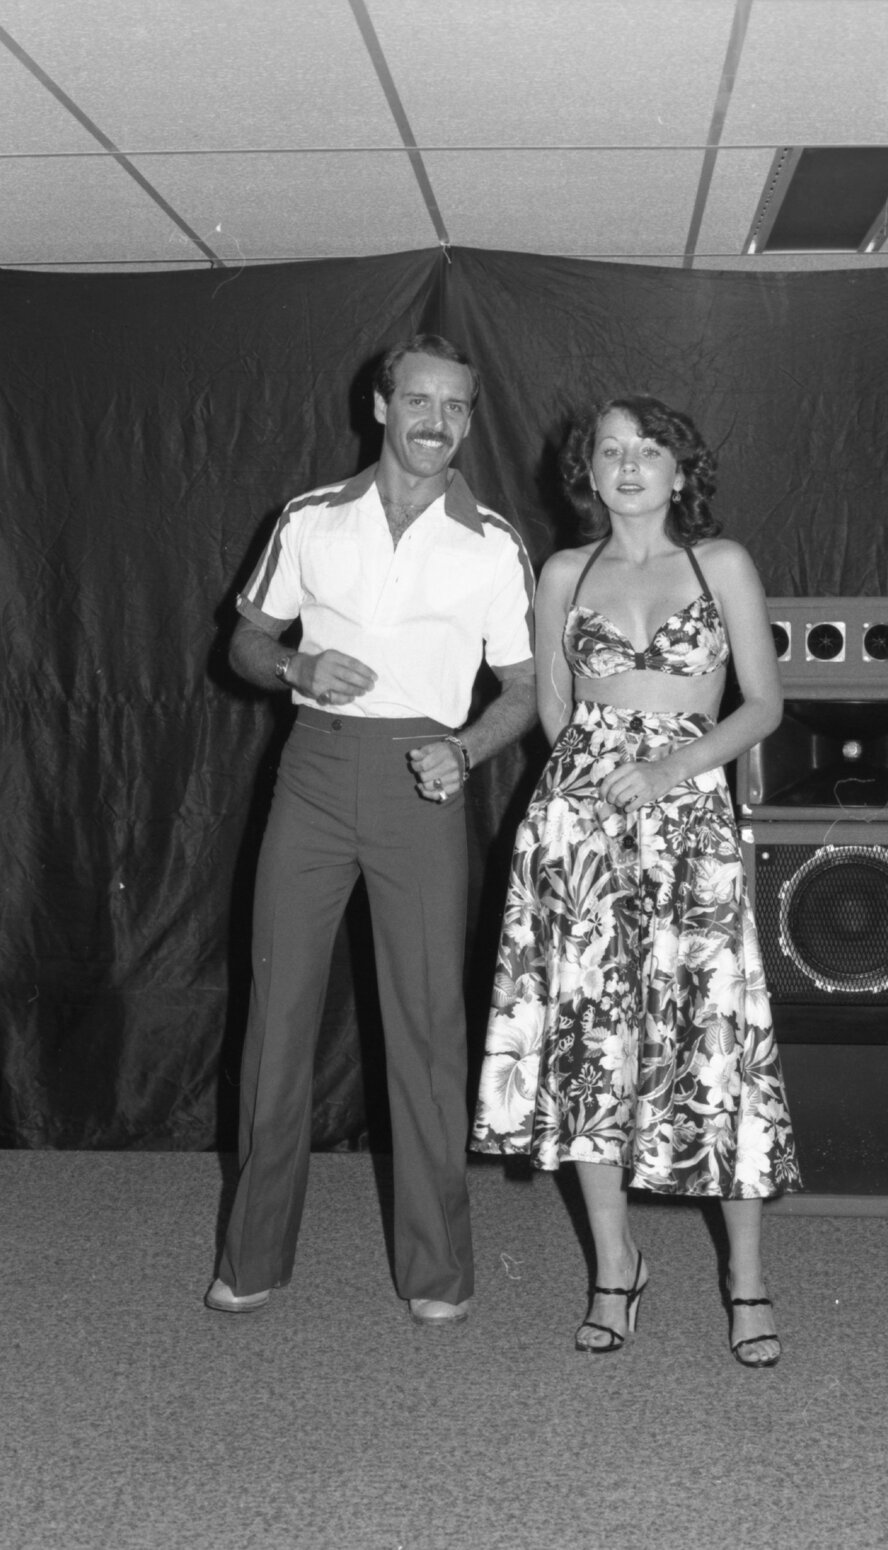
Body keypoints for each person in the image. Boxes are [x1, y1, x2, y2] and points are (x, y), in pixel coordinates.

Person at [208, 334, 536, 1327]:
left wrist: (468, 749)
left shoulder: (493, 542)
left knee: (429, 1024)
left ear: (470, 419)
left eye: (458, 406)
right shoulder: (309, 518)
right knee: (278, 1016)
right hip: (311, 770)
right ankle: (253, 1253)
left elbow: (524, 691)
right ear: (382, 405)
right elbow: (245, 640)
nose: (438, 421)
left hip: (422, 781)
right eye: (421, 401)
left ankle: (437, 1271)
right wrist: (298, 669)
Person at [471, 394, 801, 1366]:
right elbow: (555, 713)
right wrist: (587, 791)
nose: (627, 466)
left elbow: (765, 704)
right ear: (589, 470)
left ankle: (745, 1278)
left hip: (687, 815)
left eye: (647, 449)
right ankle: (616, 1268)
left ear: (679, 469)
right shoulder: (564, 571)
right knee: (588, 1047)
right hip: (576, 830)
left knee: (715, 1043)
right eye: (609, 451)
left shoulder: (720, 562)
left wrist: (667, 767)